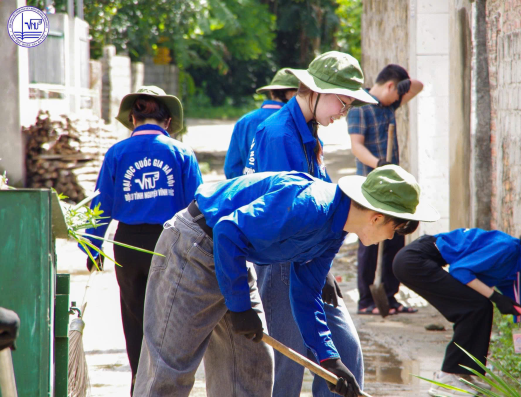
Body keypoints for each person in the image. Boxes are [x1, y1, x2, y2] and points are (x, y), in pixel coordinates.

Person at [134, 165, 439, 397]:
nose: (392, 238)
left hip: (233, 260)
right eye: (395, 230)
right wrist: (239, 306)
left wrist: (329, 359)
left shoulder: (335, 230)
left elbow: (306, 296)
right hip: (196, 246)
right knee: (169, 370)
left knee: (250, 370)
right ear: (377, 217)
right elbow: (228, 230)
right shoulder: (311, 207)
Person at [242, 51, 377, 396]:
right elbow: (287, 215)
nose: (342, 115)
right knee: (288, 366)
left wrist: (324, 268)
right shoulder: (278, 135)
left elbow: (322, 195)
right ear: (317, 91)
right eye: (341, 104)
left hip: (308, 256)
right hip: (283, 259)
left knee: (345, 353)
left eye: (347, 108)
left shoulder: (308, 132)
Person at [80, 86, 203, 394]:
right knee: (167, 319)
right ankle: (161, 386)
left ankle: (139, 383)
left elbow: (100, 204)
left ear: (132, 119)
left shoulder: (117, 153)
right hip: (169, 244)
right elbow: (198, 208)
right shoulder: (181, 153)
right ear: (169, 121)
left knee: (135, 317)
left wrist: (92, 246)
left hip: (126, 246)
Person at [393, 226, 521, 397]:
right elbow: (460, 271)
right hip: (415, 260)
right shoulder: (507, 248)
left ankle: (464, 374)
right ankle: (447, 376)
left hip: (425, 262)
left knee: (479, 307)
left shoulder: (516, 274)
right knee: (475, 307)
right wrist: (495, 297)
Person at [347, 64, 424, 315]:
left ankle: (390, 297)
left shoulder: (390, 104)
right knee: (369, 242)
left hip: (394, 189)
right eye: (396, 92)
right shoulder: (360, 107)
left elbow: (419, 86)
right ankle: (365, 300)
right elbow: (356, 146)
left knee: (394, 238)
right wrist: (379, 163)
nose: (399, 99)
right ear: (389, 86)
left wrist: (404, 86)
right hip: (370, 187)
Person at [223, 68, 299, 179]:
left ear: (272, 93)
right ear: (293, 94)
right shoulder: (297, 122)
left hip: (251, 191)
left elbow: (231, 167)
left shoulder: (244, 121)